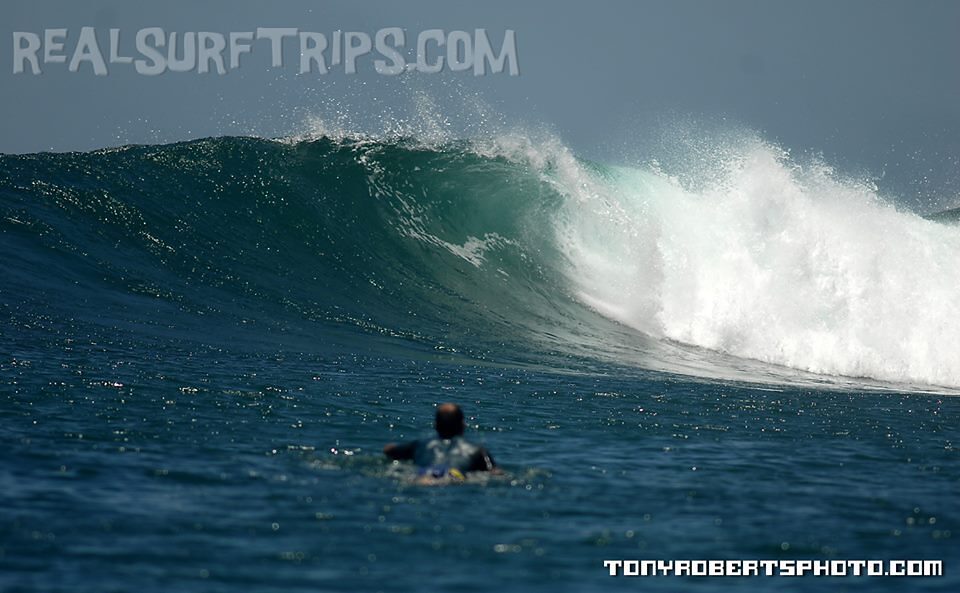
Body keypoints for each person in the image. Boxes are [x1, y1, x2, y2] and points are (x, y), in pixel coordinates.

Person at [383, 403, 498, 480]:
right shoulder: (477, 451)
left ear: (436, 426)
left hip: (423, 474)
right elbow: (495, 474)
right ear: (463, 425)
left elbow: (388, 450)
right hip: (453, 476)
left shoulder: (419, 445)